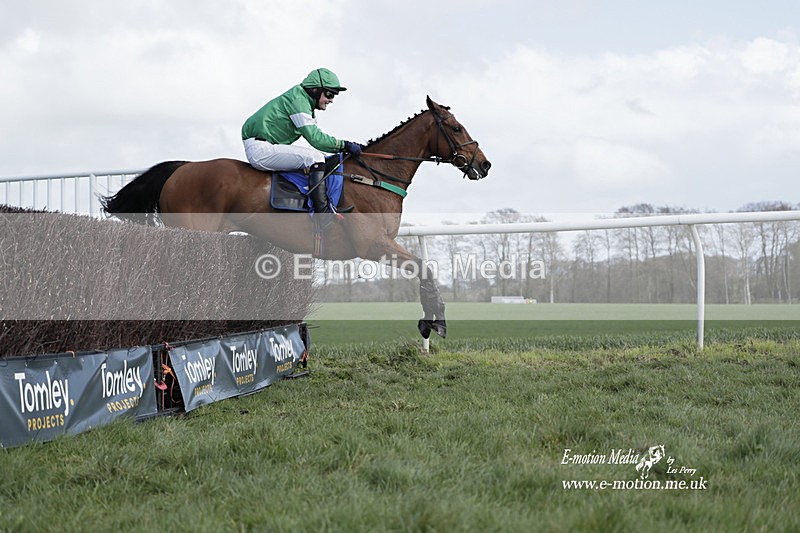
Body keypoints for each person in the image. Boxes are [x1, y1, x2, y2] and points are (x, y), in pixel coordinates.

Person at [242, 68, 363, 225]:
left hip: (265, 145)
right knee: (316, 157)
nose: (331, 99)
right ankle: (322, 213)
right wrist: (344, 145)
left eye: (334, 95)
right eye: (329, 94)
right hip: (261, 150)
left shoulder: (303, 100)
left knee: (318, 158)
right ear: (315, 90)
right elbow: (316, 139)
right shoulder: (299, 101)